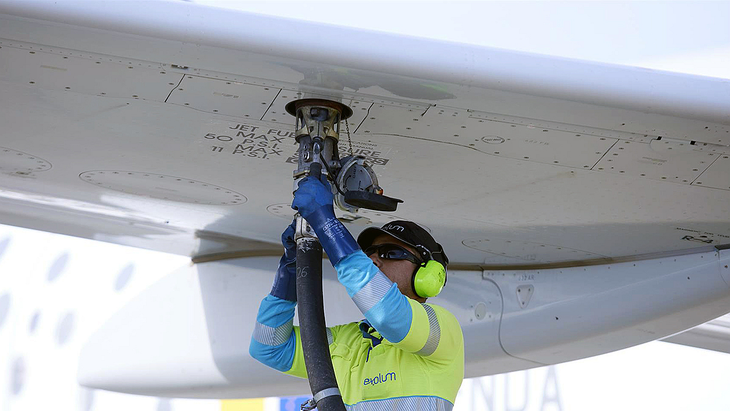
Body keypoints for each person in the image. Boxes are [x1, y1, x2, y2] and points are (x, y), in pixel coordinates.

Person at [250, 173, 464, 410]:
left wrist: (325, 222)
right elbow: (269, 347)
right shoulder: (349, 340)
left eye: (390, 253)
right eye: (369, 253)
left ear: (427, 276)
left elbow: (390, 315)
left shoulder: (445, 330)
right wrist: (290, 270)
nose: (373, 260)